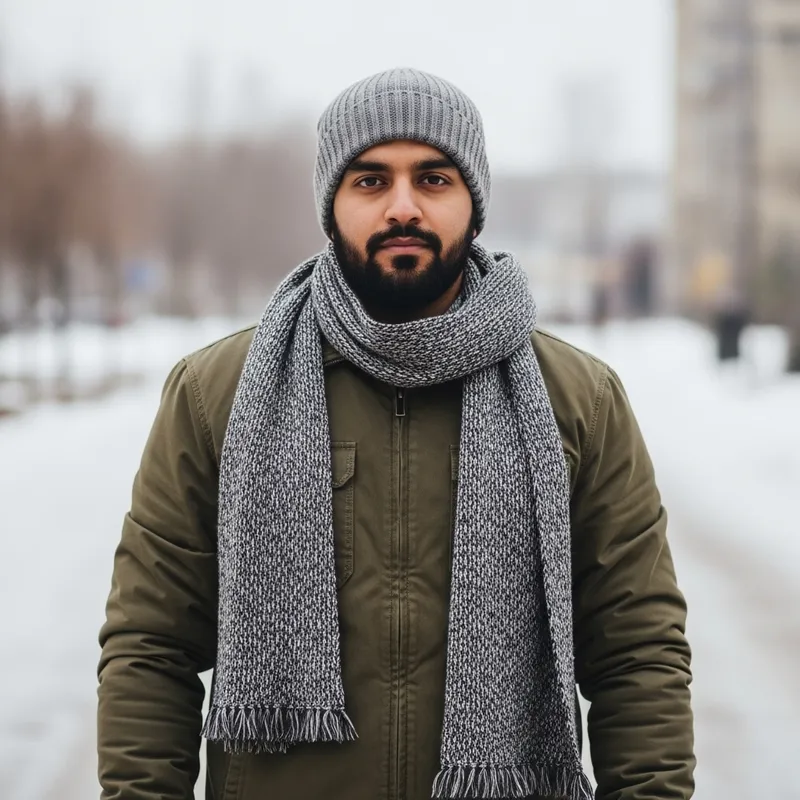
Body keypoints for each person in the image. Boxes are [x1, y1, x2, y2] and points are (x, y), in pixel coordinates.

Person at [97, 68, 694, 800]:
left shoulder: (581, 402)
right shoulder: (215, 394)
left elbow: (638, 655)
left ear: (473, 203)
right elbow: (151, 646)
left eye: (434, 179)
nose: (403, 208)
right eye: (371, 181)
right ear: (331, 204)